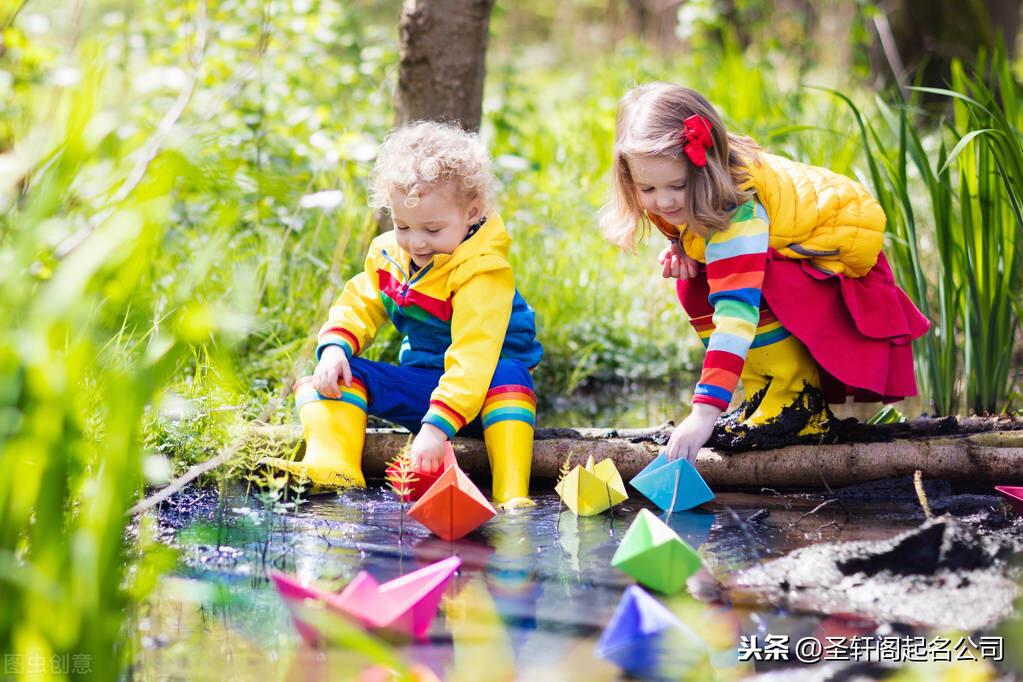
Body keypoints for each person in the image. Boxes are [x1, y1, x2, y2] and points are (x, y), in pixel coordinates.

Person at [601, 82, 929, 463]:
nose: (664, 200)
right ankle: (763, 394)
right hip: (777, 244)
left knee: (759, 284)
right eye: (648, 188)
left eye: (677, 185)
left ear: (705, 171)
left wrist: (704, 413)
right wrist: (679, 246)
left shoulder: (738, 213)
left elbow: (735, 315)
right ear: (630, 179)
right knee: (694, 283)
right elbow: (677, 215)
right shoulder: (672, 191)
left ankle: (797, 402)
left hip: (832, 251)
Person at [260, 121, 543, 508]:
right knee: (329, 377)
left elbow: (473, 358)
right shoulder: (390, 253)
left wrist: (436, 427)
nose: (416, 241)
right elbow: (362, 299)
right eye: (403, 226)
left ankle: (511, 494)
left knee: (508, 373)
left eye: (432, 228)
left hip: (485, 400)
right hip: (426, 390)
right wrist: (336, 347)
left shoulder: (483, 271)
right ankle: (333, 466)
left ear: (472, 213)